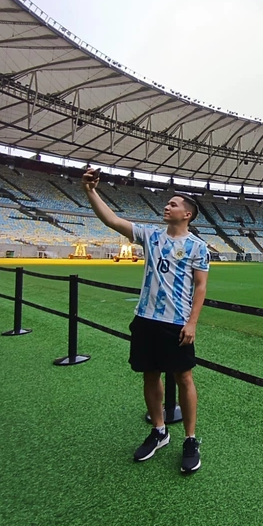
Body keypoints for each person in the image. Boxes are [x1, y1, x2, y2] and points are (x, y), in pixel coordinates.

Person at [82, 166, 209, 473]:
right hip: (146, 320)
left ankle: (190, 439)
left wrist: (191, 323)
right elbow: (112, 220)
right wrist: (90, 191)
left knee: (184, 377)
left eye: (174, 204)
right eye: (168, 203)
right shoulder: (150, 236)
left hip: (176, 323)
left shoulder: (198, 247)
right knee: (150, 375)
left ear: (187, 214)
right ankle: (159, 431)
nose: (167, 206)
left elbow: (201, 287)